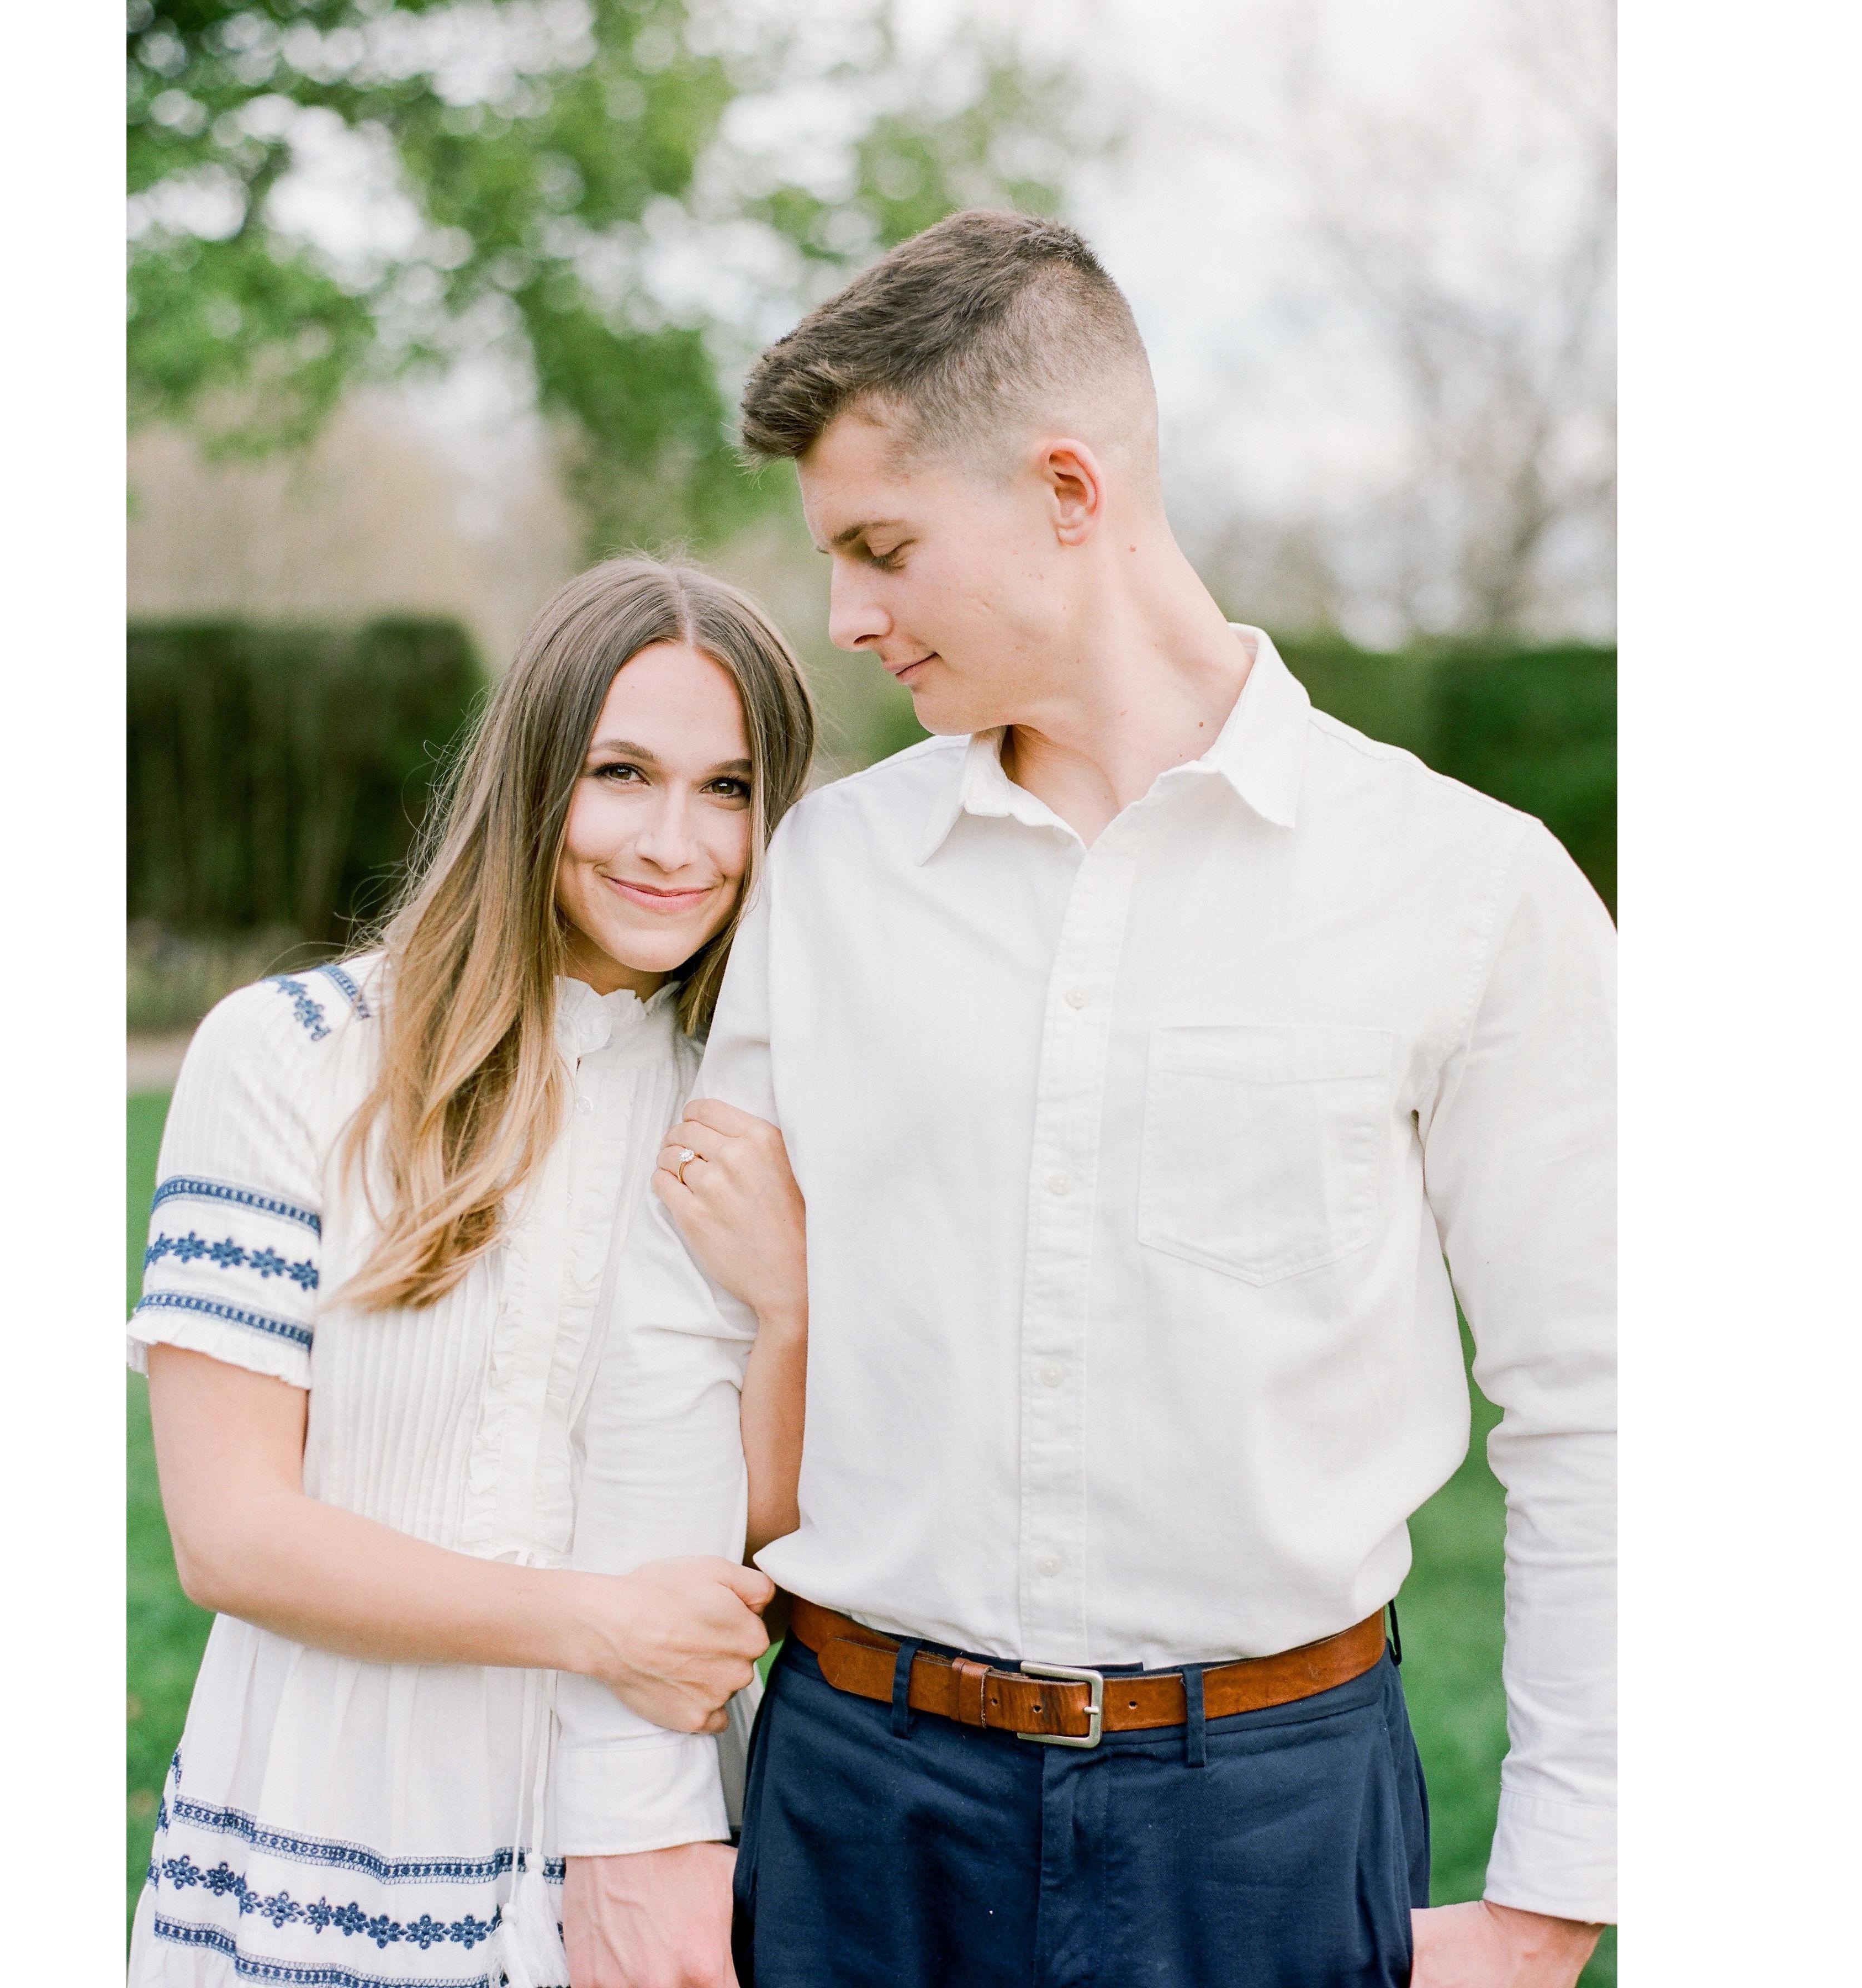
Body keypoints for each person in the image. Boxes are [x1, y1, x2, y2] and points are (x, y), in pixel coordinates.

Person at [554, 214, 1616, 1988]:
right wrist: (637, 1816)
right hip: (856, 1801)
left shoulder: (1467, 887)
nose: (847, 617)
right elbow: (678, 1338)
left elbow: (1604, 1402)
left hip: (1270, 1829)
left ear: (1068, 490)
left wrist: (1555, 1894)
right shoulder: (832, 874)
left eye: (883, 548)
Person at [127, 558, 816, 1988]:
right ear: (532, 775)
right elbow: (231, 1537)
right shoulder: (297, 1057)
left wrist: (791, 1308)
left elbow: (754, 1529)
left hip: (635, 1834)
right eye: (621, 774)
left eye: (729, 789)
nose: (676, 842)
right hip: (326, 1813)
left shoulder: (757, 1111)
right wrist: (598, 1626)